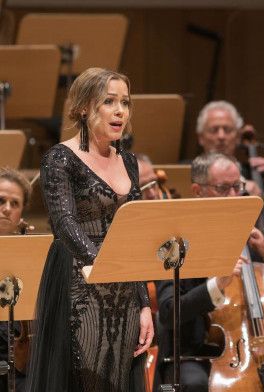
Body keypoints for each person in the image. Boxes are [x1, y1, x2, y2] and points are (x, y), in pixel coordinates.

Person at [28, 67, 154, 392]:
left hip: (122, 285)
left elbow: (135, 234)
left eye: (125, 102)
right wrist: (106, 266)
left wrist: (144, 305)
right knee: (85, 381)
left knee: (118, 379)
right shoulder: (60, 159)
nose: (120, 111)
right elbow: (64, 225)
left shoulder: (128, 161)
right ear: (84, 107)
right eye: (109, 101)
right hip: (77, 279)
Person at [155, 152, 264, 391]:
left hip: (255, 351)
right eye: (222, 188)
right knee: (196, 385)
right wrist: (216, 285)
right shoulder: (174, 241)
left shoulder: (251, 236)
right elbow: (168, 312)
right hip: (194, 355)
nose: (233, 196)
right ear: (197, 191)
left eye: (237, 187)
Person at [0, 167, 31, 392]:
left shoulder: (31, 255)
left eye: (15, 204)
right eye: (1, 201)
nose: (7, 209)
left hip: (19, 361)